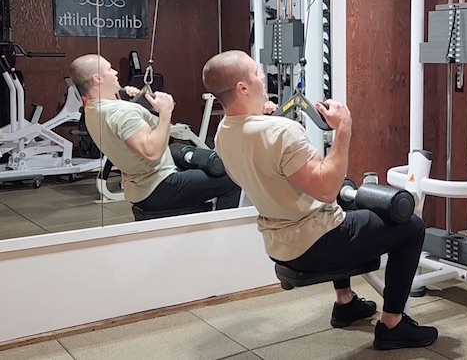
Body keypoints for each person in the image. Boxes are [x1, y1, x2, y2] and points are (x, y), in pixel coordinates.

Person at [201, 50, 438, 351]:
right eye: (256, 73)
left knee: (346, 200)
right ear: (242, 88)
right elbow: (325, 189)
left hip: (279, 245)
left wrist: (264, 123)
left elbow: (246, 178)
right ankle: (393, 323)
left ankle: (346, 303)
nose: (263, 77)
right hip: (319, 242)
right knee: (412, 227)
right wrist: (344, 128)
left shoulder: (223, 133)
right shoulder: (281, 131)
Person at [69, 54, 242, 214]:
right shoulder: (122, 112)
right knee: (233, 180)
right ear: (97, 79)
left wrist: (126, 97)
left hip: (138, 188)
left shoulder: (92, 109)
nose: (114, 72)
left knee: (185, 154)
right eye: (109, 69)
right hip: (159, 186)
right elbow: (151, 153)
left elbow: (115, 117)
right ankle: (224, 236)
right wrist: (166, 111)